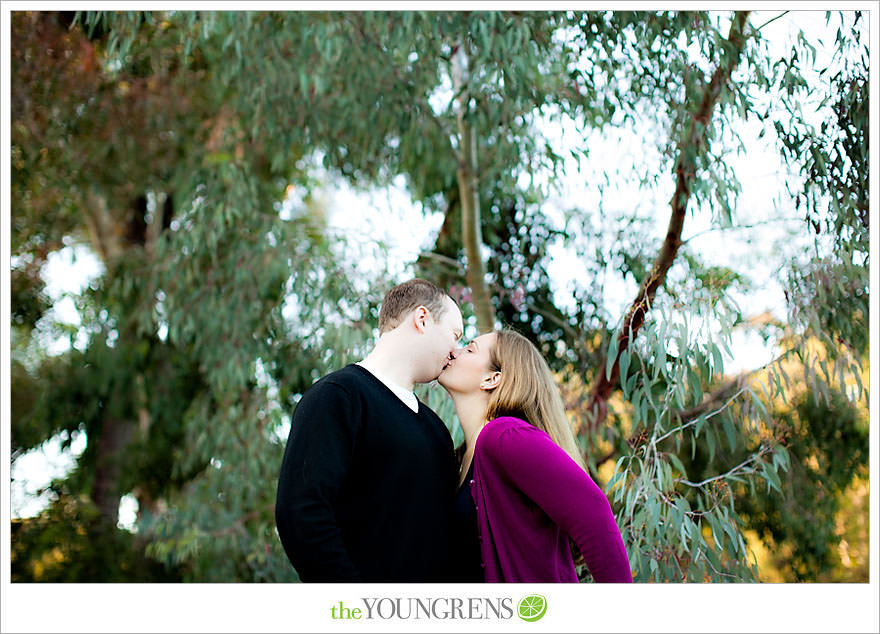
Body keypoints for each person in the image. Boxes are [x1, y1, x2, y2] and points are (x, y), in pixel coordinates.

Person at [275, 279, 463, 582]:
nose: (456, 352)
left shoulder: (437, 430)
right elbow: (302, 515)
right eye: (455, 335)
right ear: (422, 319)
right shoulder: (337, 396)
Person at [439, 328, 633, 583]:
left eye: (469, 349)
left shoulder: (504, 436)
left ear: (492, 379)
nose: (454, 351)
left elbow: (593, 513)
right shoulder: (460, 457)